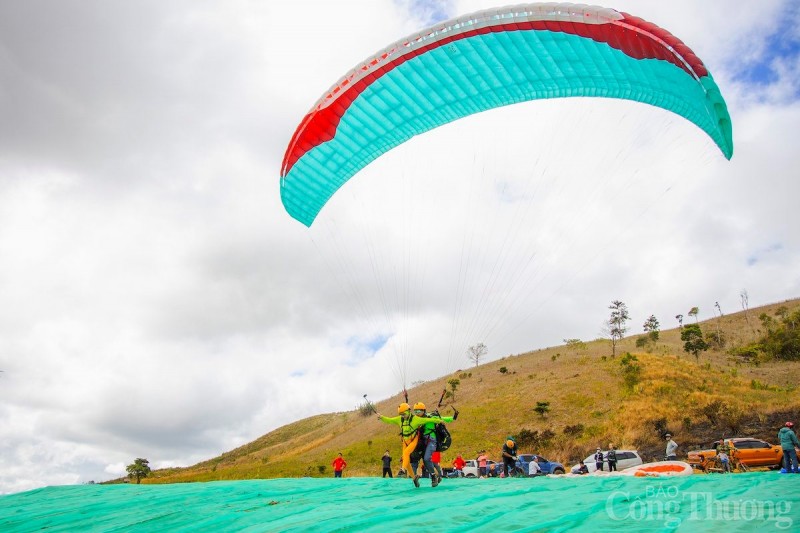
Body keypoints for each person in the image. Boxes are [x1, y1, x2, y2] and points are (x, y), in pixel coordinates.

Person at [377, 402, 451, 488]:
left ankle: (430, 475)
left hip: (418, 442)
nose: (402, 416)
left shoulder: (416, 419)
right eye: (401, 414)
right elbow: (390, 420)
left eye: (404, 414)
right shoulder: (401, 419)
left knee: (420, 457)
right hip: (407, 442)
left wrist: (441, 420)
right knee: (408, 460)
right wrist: (381, 417)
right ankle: (414, 478)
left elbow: (429, 420)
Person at [410, 402, 454, 488]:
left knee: (427, 459)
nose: (417, 413)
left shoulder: (431, 416)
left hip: (431, 441)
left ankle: (434, 476)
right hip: (420, 442)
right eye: (415, 411)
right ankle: (414, 477)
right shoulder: (415, 419)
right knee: (413, 459)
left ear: (423, 410)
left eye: (419, 411)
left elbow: (443, 418)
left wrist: (453, 417)